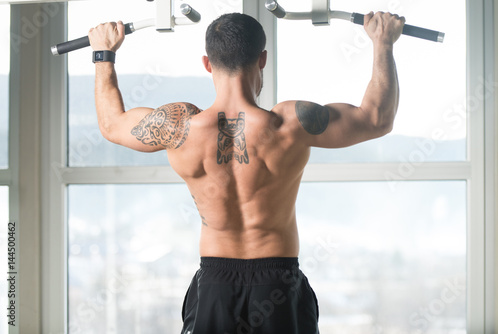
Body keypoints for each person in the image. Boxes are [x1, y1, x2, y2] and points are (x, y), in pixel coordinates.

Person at [88, 10, 405, 334]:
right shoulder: (290, 125)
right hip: (278, 283)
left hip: (215, 284)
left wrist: (104, 54)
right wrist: (383, 42)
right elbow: (377, 118)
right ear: (262, 59)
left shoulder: (180, 128)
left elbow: (112, 124)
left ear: (207, 63)